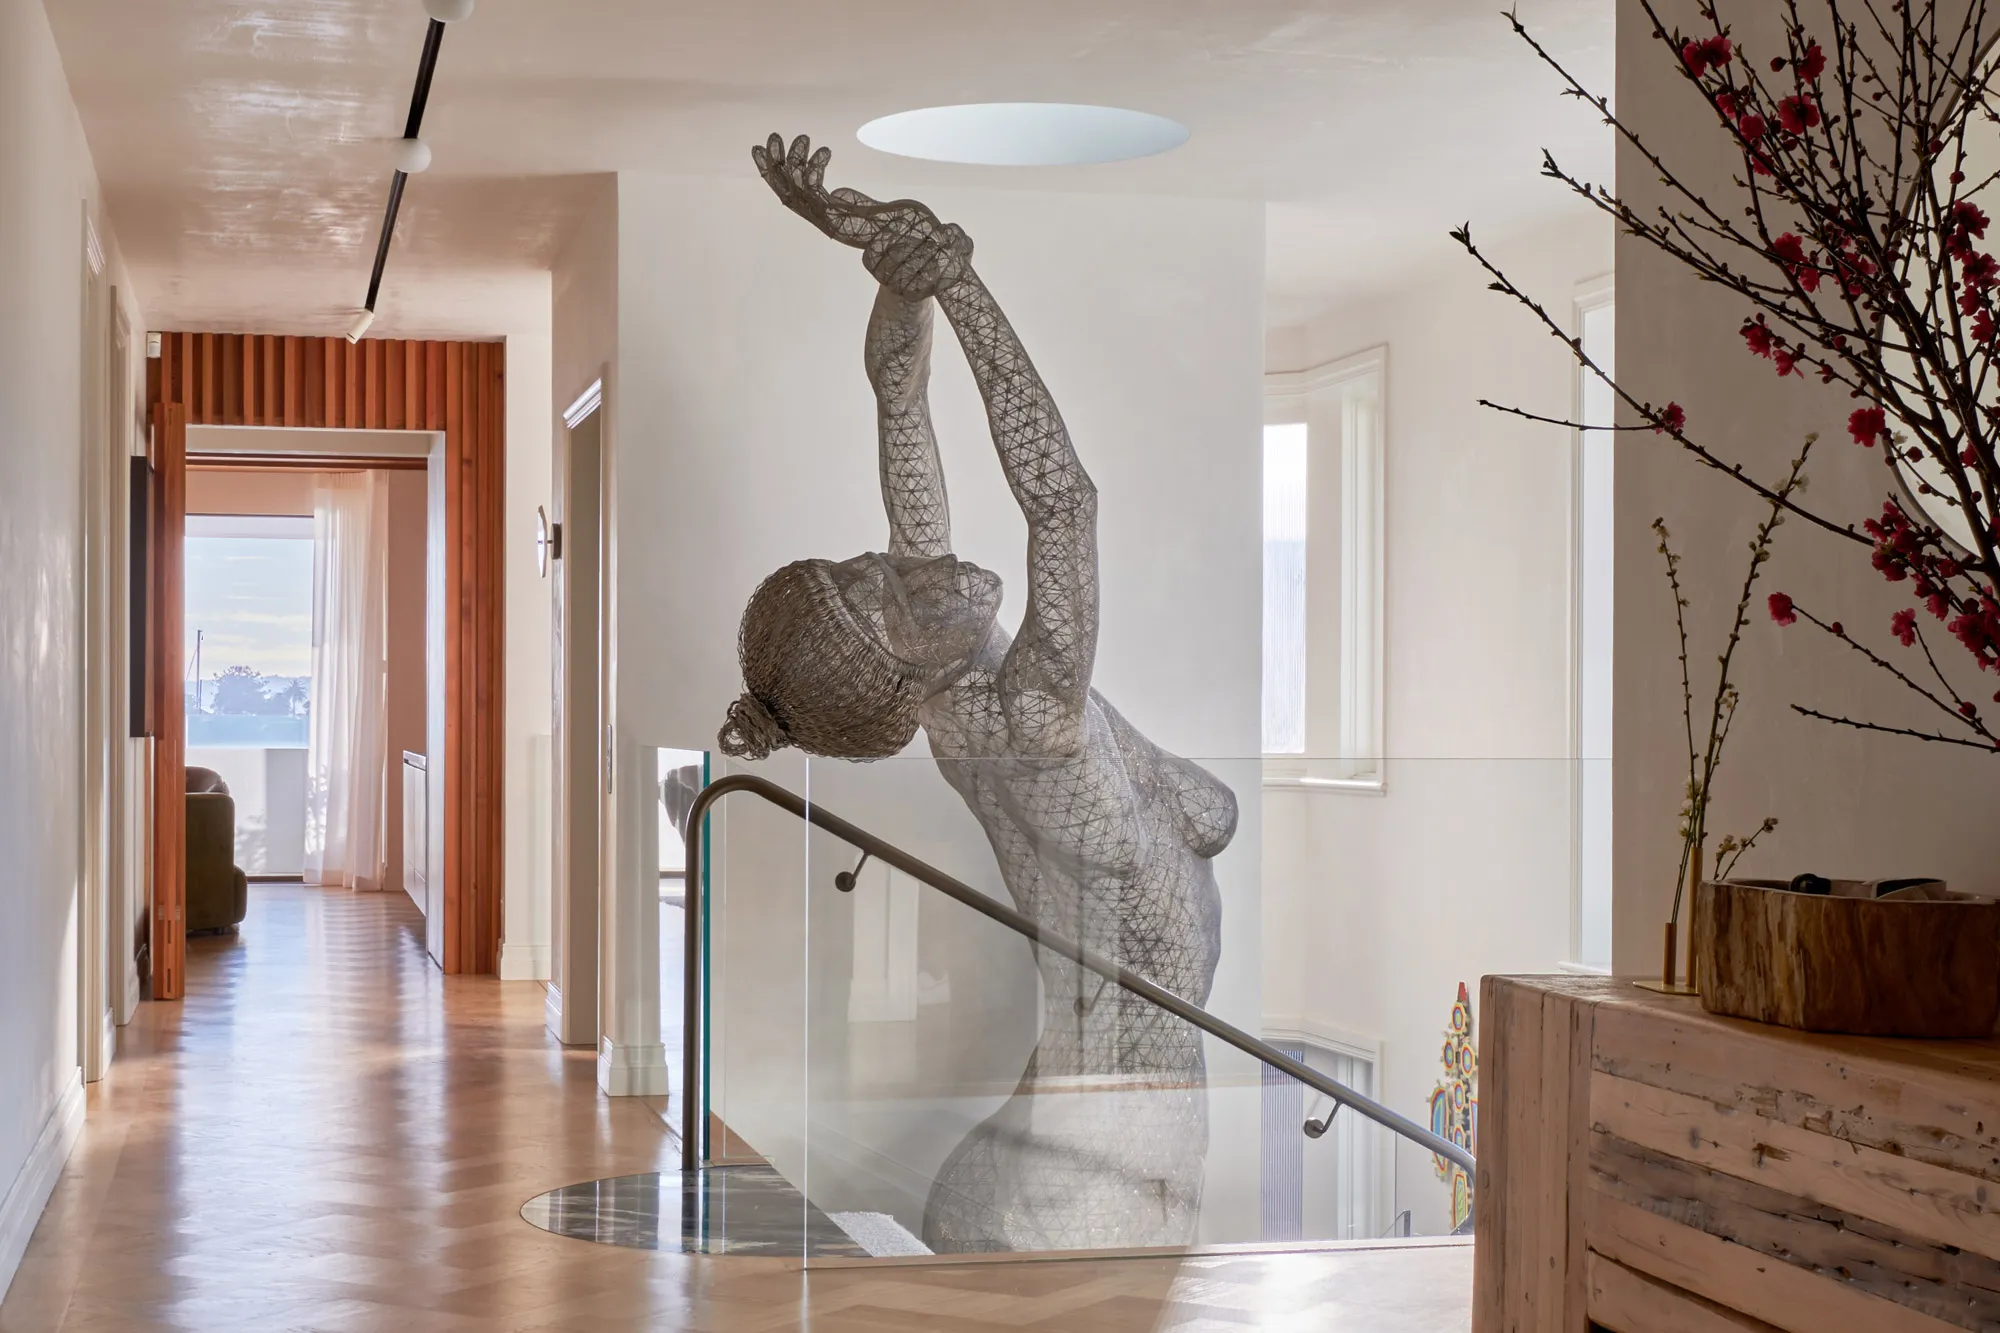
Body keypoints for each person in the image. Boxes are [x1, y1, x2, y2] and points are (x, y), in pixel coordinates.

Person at [719, 134, 1237, 1251]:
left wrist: (893, 273)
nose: (910, 561)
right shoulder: (1030, 722)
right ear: (901, 659)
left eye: (875, 559)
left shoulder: (950, 662)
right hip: (1116, 1122)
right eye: (889, 587)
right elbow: (1063, 504)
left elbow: (898, 400)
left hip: (1092, 1090)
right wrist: (962, 283)